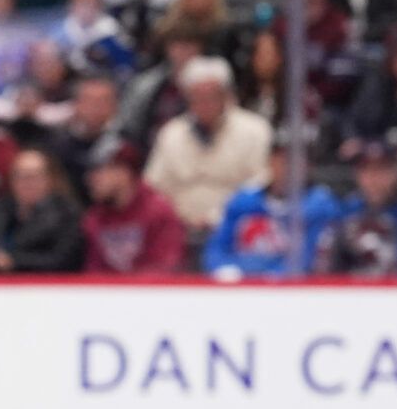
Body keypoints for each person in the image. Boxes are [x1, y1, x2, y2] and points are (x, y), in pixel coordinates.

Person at [145, 58, 274, 243]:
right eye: (197, 97)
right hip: (180, 231)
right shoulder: (171, 133)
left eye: (211, 96)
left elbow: (262, 183)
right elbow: (154, 187)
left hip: (235, 230)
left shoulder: (255, 130)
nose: (204, 103)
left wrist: (220, 216)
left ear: (226, 95)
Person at [202, 140, 340, 277]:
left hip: (289, 286)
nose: (289, 167)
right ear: (270, 161)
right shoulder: (243, 201)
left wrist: (274, 277)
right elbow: (217, 248)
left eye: (297, 161)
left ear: (308, 167)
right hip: (240, 282)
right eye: (283, 159)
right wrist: (224, 269)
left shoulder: (319, 205)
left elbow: (308, 258)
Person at [313, 141, 397, 276]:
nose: (374, 179)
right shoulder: (345, 211)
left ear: (396, 174)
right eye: (366, 170)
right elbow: (323, 265)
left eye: (381, 170)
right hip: (351, 287)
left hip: (395, 287)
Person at [82, 137, 188, 273]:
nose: (91, 179)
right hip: (110, 287)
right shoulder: (94, 219)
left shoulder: (159, 212)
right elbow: (93, 271)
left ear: (122, 173)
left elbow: (166, 267)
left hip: (149, 286)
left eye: (98, 172)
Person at [0, 149, 87, 272]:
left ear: (50, 179)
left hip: (43, 281)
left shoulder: (66, 213)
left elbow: (63, 260)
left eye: (33, 176)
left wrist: (13, 261)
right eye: (19, 175)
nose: (26, 182)